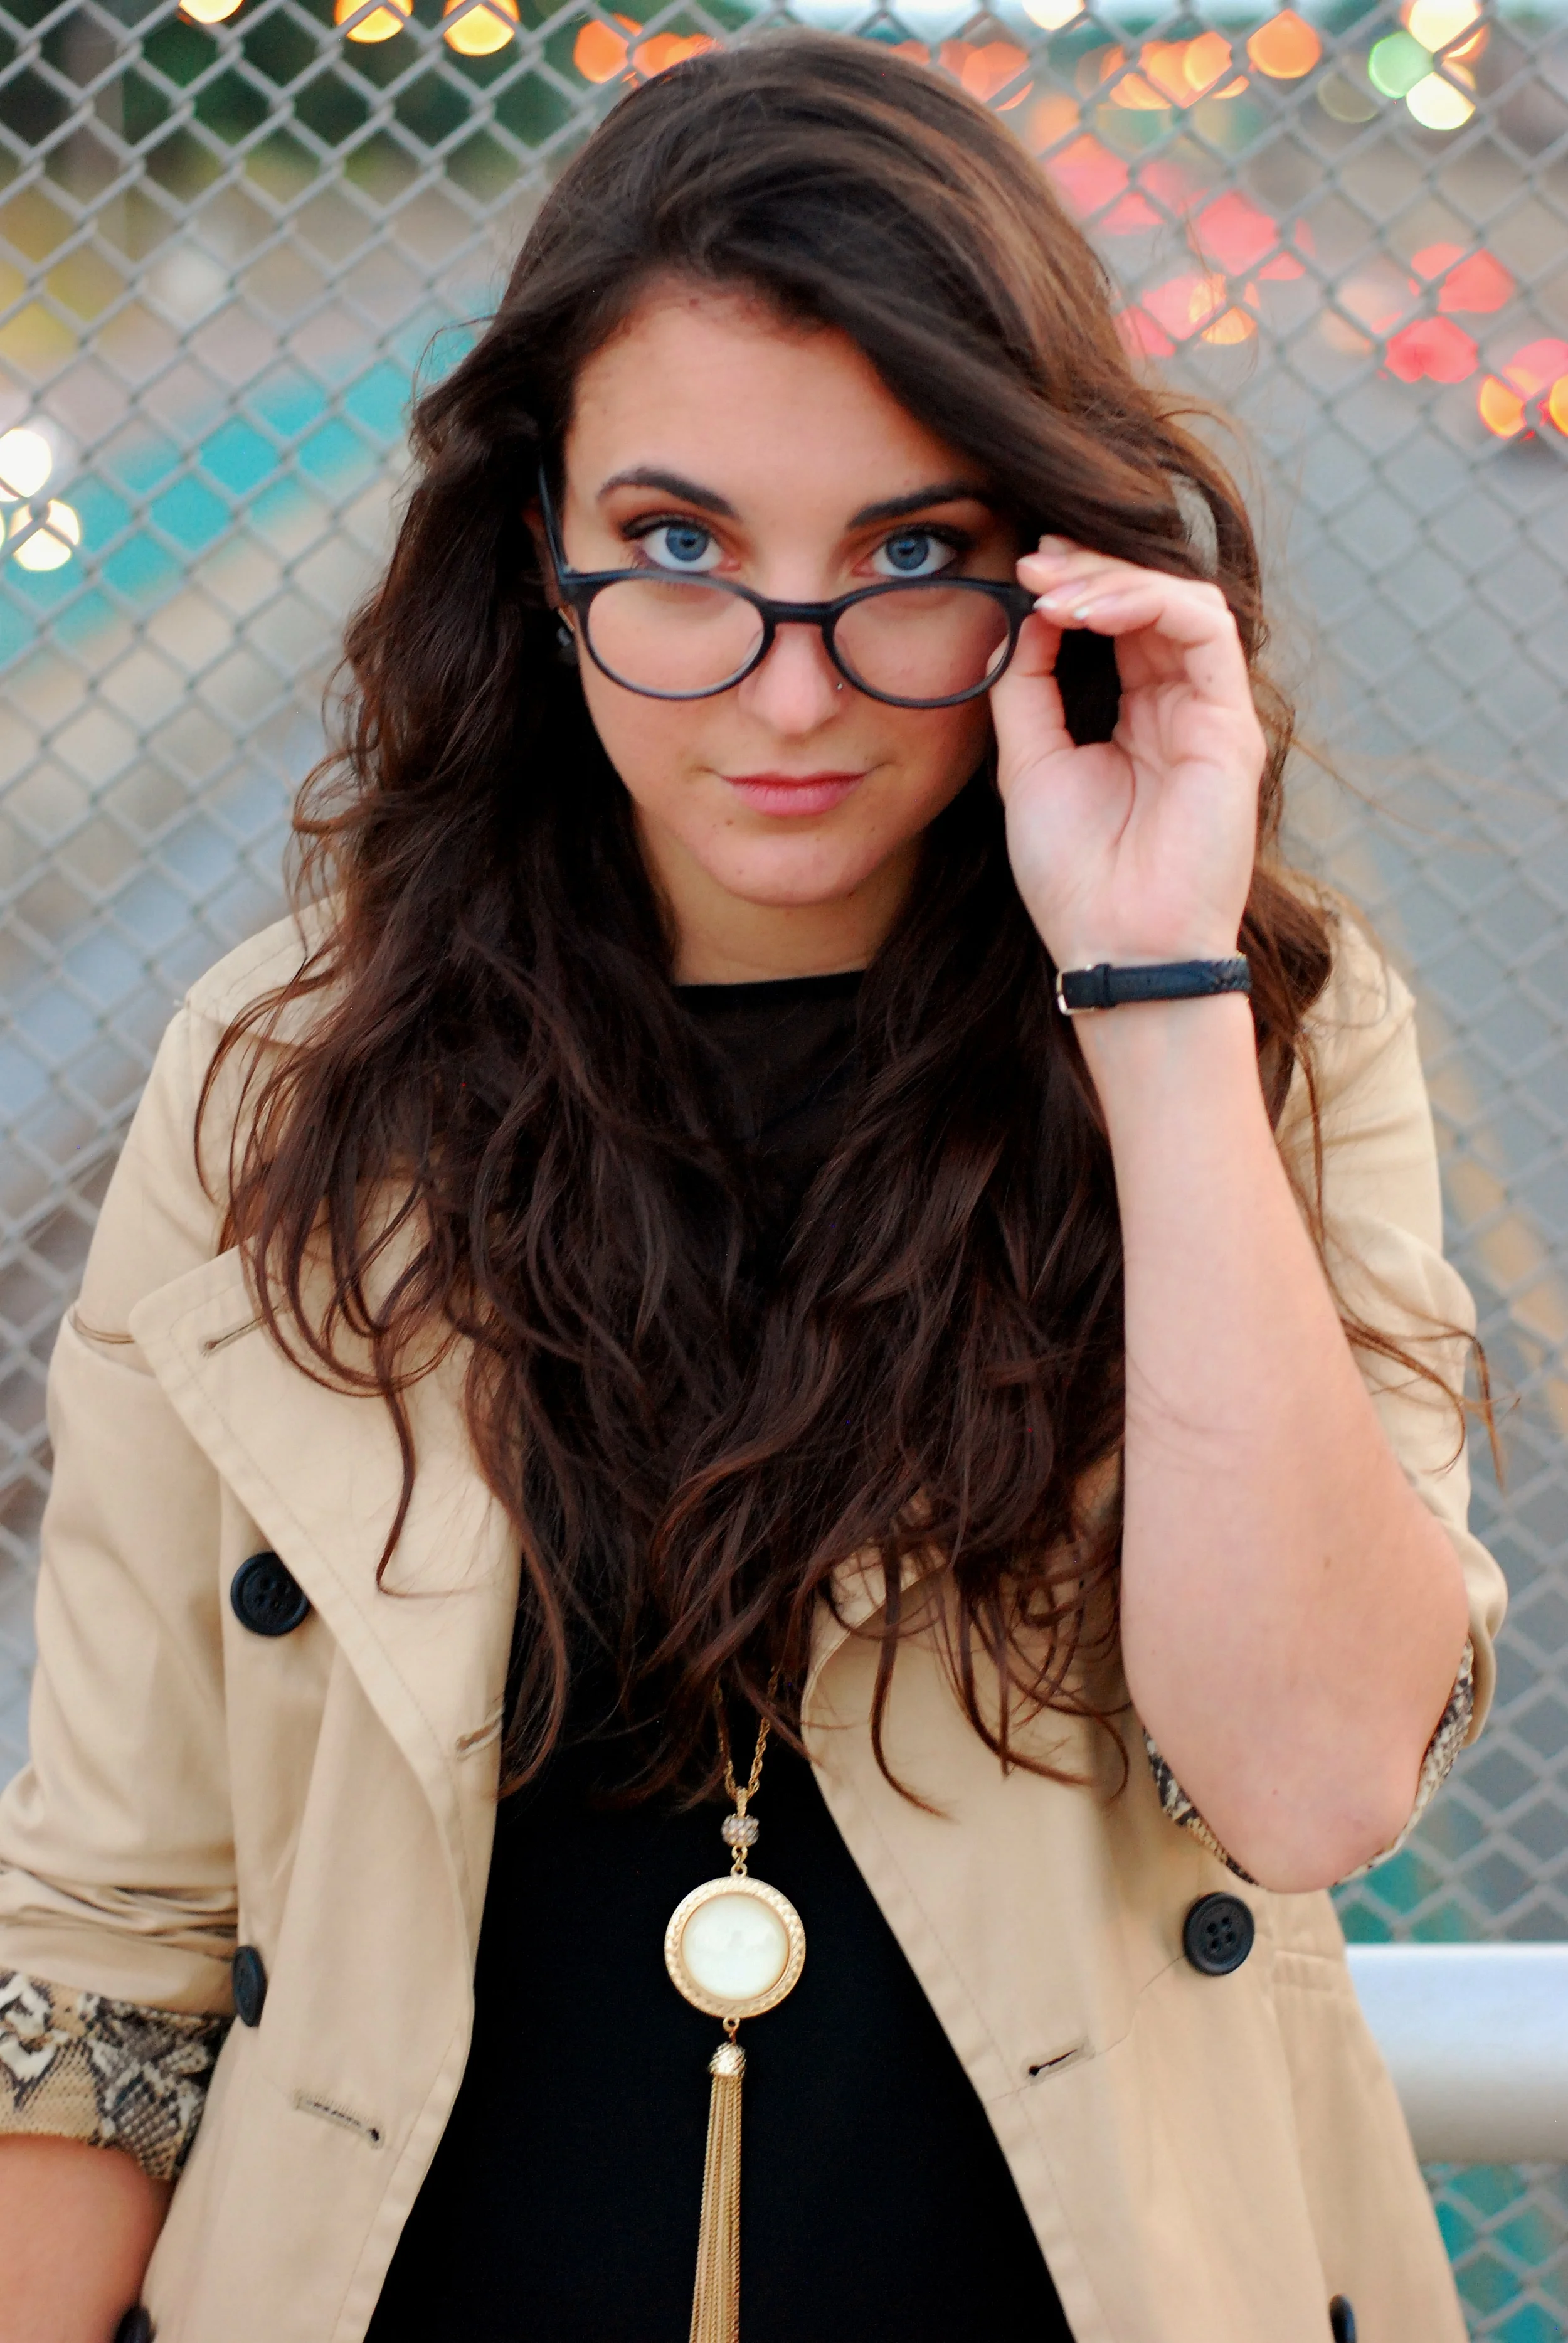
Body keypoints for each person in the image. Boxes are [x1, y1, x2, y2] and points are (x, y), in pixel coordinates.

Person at [0, 33, 1504, 2343]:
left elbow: (1309, 1776)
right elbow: (107, 1935)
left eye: (907, 558)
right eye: (684, 550)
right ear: (543, 544)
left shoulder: (1255, 1036)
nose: (787, 695)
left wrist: (1155, 992)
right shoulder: (286, 1078)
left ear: (1050, 572)